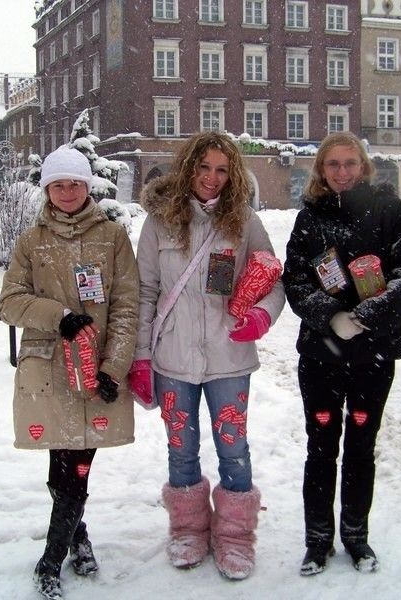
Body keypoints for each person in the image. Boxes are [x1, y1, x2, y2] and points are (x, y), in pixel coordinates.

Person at [130, 132, 285, 580]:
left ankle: (235, 535)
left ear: (232, 174)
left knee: (233, 448)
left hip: (230, 359)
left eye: (221, 170)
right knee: (182, 448)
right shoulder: (159, 222)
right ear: (188, 168)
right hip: (173, 358)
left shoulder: (246, 221)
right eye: (203, 168)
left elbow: (273, 279)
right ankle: (189, 528)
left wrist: (261, 316)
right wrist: (141, 358)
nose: (212, 179)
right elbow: (145, 291)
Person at [282, 132, 401, 575]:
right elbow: (296, 279)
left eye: (350, 163)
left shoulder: (389, 211)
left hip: (373, 355)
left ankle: (356, 536)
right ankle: (318, 540)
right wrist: (329, 316)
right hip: (322, 356)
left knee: (362, 446)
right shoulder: (310, 219)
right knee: (321, 446)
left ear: (363, 166)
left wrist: (369, 314)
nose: (342, 172)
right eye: (333, 165)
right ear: (321, 171)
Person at [0, 146, 139, 600]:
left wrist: (114, 366)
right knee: (60, 465)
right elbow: (10, 301)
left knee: (77, 465)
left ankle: (50, 560)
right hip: (49, 368)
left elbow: (126, 306)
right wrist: (57, 315)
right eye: (57, 184)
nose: (67, 191)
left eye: (74, 183)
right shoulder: (31, 240)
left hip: (94, 366)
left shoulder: (113, 235)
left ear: (87, 185)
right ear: (46, 189)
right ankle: (77, 539)